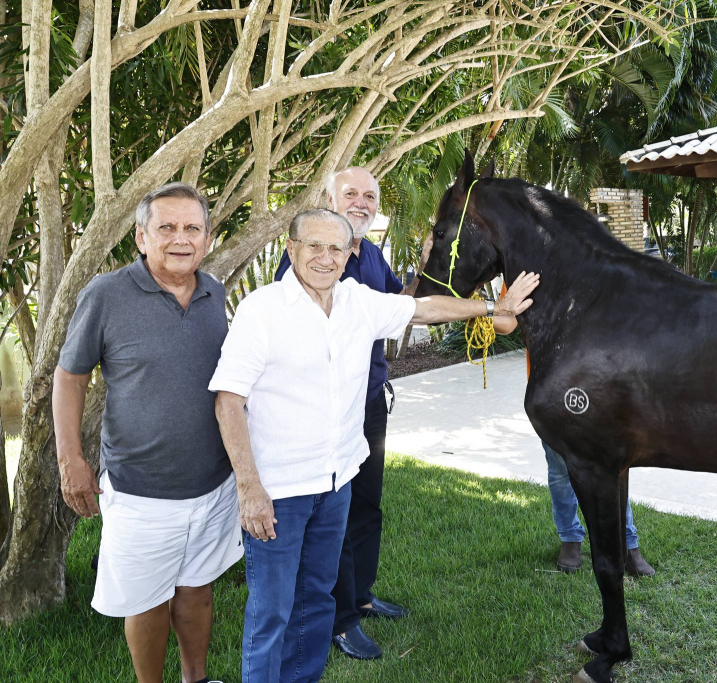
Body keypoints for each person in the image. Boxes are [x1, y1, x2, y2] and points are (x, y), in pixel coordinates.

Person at [211, 208, 539, 683]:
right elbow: (228, 402)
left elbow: (424, 308)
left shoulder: (358, 302)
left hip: (338, 479)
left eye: (335, 248)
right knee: (272, 612)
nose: (325, 258)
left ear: (349, 254)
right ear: (291, 249)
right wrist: (249, 488)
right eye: (314, 246)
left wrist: (494, 308)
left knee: (318, 599)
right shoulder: (262, 311)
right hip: (278, 489)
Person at [54, 183, 239, 683]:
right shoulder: (106, 294)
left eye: (192, 228)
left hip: (212, 485)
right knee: (148, 602)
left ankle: (195, 679)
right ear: (141, 237)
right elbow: (69, 377)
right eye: (167, 227)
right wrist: (71, 458)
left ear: (206, 237)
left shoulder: (213, 291)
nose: (181, 239)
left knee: (197, 590)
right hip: (140, 489)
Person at [273, 167, 428, 660]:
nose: (361, 202)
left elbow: (401, 306)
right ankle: (339, 620)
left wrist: (423, 267)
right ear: (329, 199)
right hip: (325, 411)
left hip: (370, 400)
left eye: (369, 196)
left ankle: (361, 594)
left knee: (367, 503)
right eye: (350, 194)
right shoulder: (307, 260)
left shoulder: (373, 254)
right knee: (333, 516)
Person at [493, 300, 654, 577]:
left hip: (597, 385)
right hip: (550, 388)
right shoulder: (524, 271)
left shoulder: (588, 260)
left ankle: (627, 544)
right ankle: (570, 538)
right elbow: (505, 324)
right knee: (558, 468)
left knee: (612, 467)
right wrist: (492, 308)